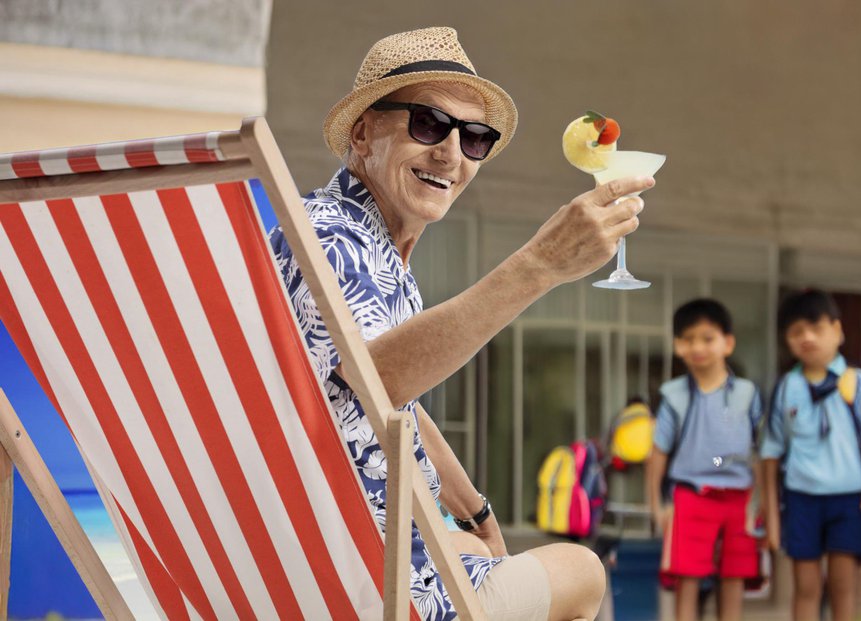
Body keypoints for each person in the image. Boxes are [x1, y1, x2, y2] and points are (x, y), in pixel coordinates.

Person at [269, 27, 654, 621]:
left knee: (477, 547)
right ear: (363, 129)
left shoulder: (372, 251)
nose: (452, 153)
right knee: (582, 570)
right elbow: (372, 378)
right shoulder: (333, 235)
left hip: (347, 559)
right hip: (379, 586)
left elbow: (389, 400)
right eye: (428, 123)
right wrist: (539, 265)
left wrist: (476, 512)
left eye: (474, 137)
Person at [761, 289, 861, 621]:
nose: (807, 337)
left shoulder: (857, 383)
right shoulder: (787, 387)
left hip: (849, 500)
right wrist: (771, 516)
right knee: (806, 587)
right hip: (802, 499)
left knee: (844, 587)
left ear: (838, 330)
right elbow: (772, 451)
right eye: (796, 331)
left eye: (816, 327)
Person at [646, 298, 763, 621]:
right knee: (687, 578)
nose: (698, 346)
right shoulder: (673, 395)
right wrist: (656, 506)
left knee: (734, 578)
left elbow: (759, 451)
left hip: (741, 498)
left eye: (707, 338)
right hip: (691, 496)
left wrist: (762, 503)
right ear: (677, 346)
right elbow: (657, 454)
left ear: (728, 343)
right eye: (688, 339)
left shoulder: (748, 394)